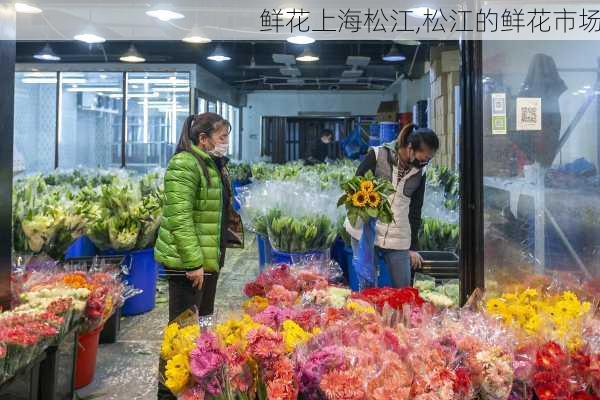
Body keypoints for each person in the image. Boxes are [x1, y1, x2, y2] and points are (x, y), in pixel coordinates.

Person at [154, 112, 244, 399]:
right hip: (188, 266)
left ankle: (193, 389)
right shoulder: (185, 164)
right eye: (221, 138)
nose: (225, 143)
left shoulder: (210, 163)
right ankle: (167, 392)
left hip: (206, 261)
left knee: (200, 328)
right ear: (202, 139)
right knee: (180, 333)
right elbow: (180, 218)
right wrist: (193, 263)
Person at [344, 123, 439, 288]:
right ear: (410, 148)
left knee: (403, 288)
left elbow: (415, 211)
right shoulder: (377, 155)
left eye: (427, 161)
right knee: (367, 287)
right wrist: (366, 214)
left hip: (398, 234)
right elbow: (354, 189)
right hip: (366, 232)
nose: (424, 164)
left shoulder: (419, 173)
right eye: (423, 159)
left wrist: (412, 247)